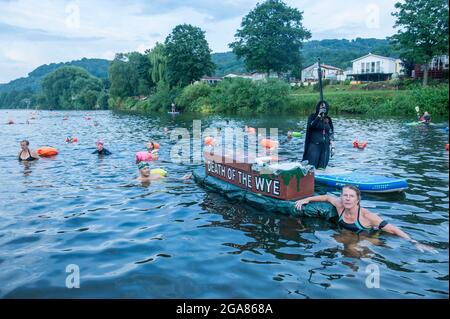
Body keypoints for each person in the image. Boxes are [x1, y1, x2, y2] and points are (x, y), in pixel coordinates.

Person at [295, 185, 437, 253]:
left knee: (351, 248)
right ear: (342, 197)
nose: (348, 198)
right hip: (350, 235)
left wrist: (414, 242)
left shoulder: (367, 216)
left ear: (357, 199)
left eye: (351, 196)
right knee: (334, 241)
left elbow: (393, 229)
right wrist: (306, 199)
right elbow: (326, 197)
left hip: (370, 235)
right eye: (345, 195)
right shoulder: (340, 205)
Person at [302, 100, 335, 169]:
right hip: (315, 146)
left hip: (325, 147)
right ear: (318, 108)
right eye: (321, 108)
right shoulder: (313, 117)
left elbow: (331, 132)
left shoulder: (328, 119)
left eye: (324, 108)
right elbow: (311, 126)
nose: (323, 109)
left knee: (322, 168)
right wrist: (319, 115)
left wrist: (333, 146)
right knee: (312, 168)